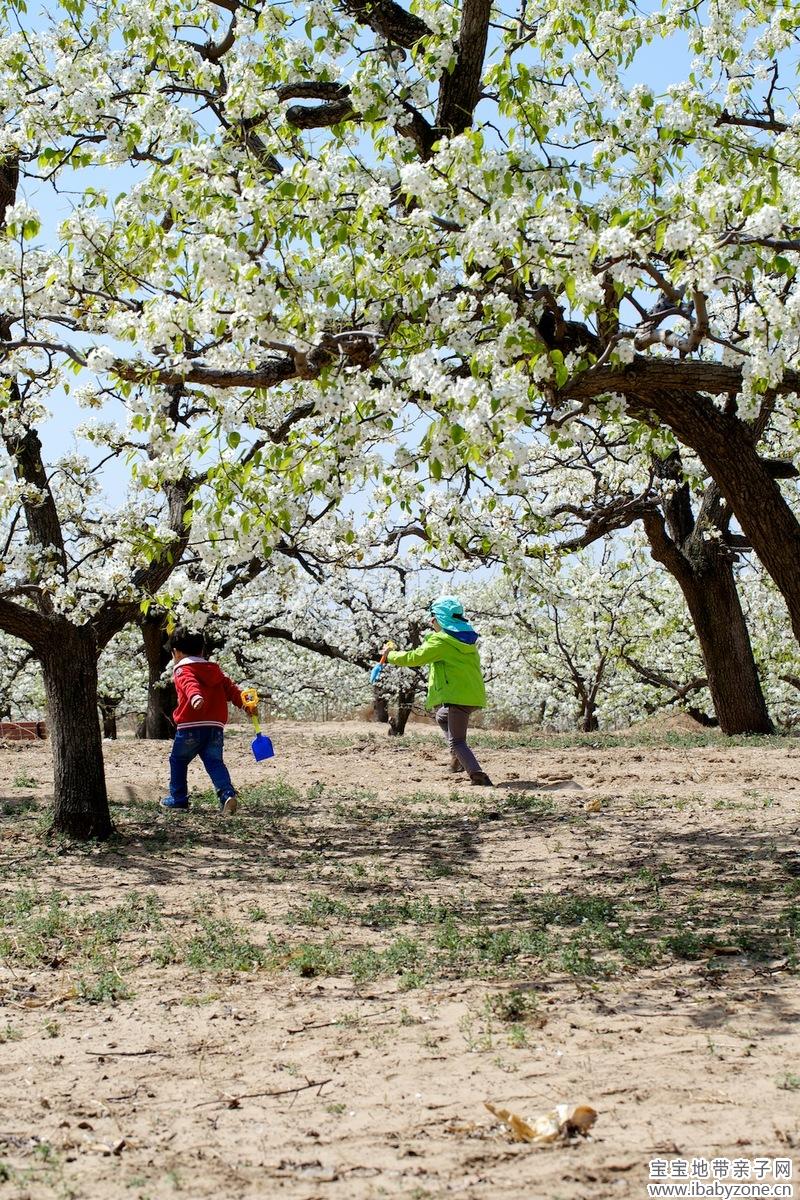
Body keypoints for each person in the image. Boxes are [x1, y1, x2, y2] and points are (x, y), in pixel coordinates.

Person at [385, 597, 493, 786]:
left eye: (432, 617)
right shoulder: (467, 639)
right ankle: (458, 759)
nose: (430, 621)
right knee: (442, 717)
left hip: (456, 697)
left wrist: (390, 656)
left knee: (457, 741)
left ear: (440, 619)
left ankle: (477, 775)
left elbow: (414, 657)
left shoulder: (442, 642)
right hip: (471, 695)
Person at [160, 628, 256, 815]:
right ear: (202, 651)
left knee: (178, 760)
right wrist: (246, 705)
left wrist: (195, 696)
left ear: (176, 652)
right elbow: (232, 690)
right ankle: (227, 795)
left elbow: (190, 683)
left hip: (190, 726)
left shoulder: (182, 668)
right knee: (215, 762)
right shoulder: (216, 671)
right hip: (214, 727)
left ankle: (178, 798)